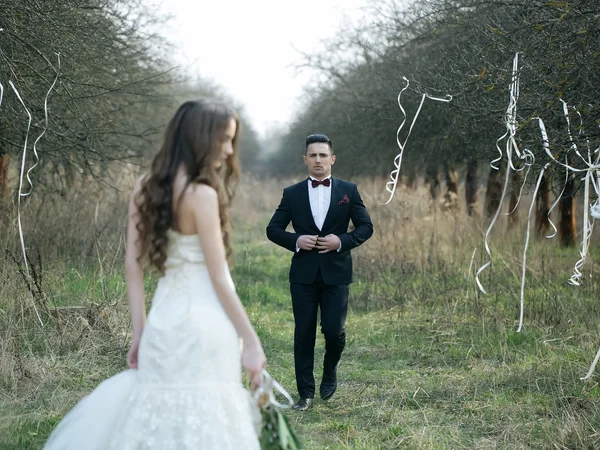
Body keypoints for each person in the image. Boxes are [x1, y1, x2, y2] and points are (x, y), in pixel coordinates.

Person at [44, 99, 266, 449]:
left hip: (164, 320)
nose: (228, 149)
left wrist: (140, 332)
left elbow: (132, 265)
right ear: (200, 137)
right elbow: (219, 277)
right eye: (223, 139)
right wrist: (251, 342)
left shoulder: (145, 186)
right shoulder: (202, 194)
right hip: (206, 324)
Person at [266, 133, 373, 411]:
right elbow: (273, 229)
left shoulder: (348, 191)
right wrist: (296, 241)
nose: (317, 160)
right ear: (305, 159)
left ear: (332, 159)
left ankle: (330, 371)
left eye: (323, 155)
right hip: (303, 275)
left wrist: (342, 241)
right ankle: (305, 394)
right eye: (312, 155)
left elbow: (365, 227)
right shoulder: (292, 193)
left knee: (334, 331)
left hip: (337, 274)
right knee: (304, 333)